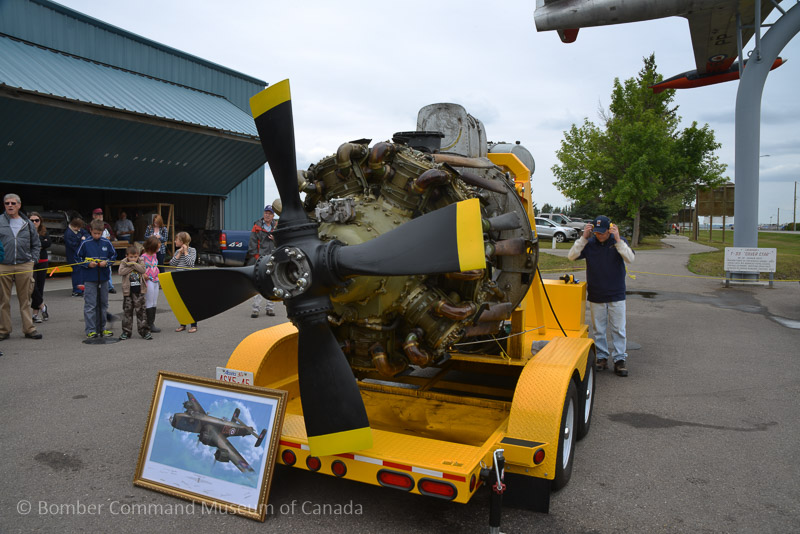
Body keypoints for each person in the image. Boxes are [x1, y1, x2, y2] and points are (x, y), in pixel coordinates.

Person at [568, 215, 635, 377]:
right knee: (599, 330)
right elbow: (572, 255)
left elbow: (630, 258)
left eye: (602, 233)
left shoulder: (618, 242)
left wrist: (618, 240)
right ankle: (602, 357)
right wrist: (583, 238)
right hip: (596, 294)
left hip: (616, 293)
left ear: (610, 230)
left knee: (618, 329)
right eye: (596, 232)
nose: (599, 235)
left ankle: (619, 359)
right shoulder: (589, 243)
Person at [0, 193, 42, 340]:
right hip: (3, 265)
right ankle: (4, 330)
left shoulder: (27, 223)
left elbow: (36, 244)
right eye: (7, 203)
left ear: (19, 205)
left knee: (25, 299)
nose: (10, 206)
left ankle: (29, 329)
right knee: (3, 300)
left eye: (13, 203)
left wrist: (33, 260)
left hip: (24, 264)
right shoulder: (0, 221)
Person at [76, 219, 117, 339]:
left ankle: (102, 328)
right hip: (90, 278)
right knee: (90, 304)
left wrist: (107, 262)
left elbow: (113, 255)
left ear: (102, 232)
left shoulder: (106, 242)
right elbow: (77, 257)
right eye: (95, 233)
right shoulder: (85, 243)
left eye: (99, 233)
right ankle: (91, 329)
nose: (97, 236)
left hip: (103, 278)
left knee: (103, 304)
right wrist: (88, 264)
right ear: (90, 231)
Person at [246, 204, 277, 318]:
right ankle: (255, 309)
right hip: (260, 259)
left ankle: (270, 308)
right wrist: (257, 257)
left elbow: (282, 241)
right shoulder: (257, 226)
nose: (267, 215)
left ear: (273, 216)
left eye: (269, 213)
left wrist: (275, 238)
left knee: (272, 283)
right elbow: (252, 243)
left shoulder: (277, 227)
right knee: (258, 283)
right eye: (266, 213)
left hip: (273, 258)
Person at [118, 245, 151, 340]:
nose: (133, 259)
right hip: (128, 291)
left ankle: (144, 331)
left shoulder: (141, 261)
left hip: (139, 291)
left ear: (138, 256)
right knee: (127, 312)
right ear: (127, 256)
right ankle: (126, 332)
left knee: (141, 312)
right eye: (131, 257)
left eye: (135, 257)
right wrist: (133, 266)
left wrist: (132, 264)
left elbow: (143, 270)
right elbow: (121, 272)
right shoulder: (124, 262)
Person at [169, 232, 198, 333]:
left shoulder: (192, 250)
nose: (174, 241)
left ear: (182, 241)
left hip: (189, 278)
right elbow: (172, 264)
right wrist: (179, 253)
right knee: (180, 302)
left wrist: (185, 252)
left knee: (190, 302)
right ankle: (183, 324)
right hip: (179, 278)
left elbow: (190, 263)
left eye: (176, 240)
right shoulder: (178, 251)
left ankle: (194, 325)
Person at [29, 212, 51, 324]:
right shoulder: (25, 232)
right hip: (30, 262)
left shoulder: (44, 231)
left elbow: (48, 243)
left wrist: (38, 244)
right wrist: (40, 244)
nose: (34, 222)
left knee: (40, 286)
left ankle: (35, 314)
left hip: (42, 261)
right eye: (32, 220)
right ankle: (42, 306)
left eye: (36, 220)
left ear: (40, 221)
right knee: (32, 287)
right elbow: (27, 245)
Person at [92, 208, 117, 293]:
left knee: (107, 268)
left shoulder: (106, 225)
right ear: (93, 216)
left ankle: (109, 287)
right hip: (94, 250)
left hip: (105, 249)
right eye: (98, 214)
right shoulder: (89, 226)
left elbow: (113, 236)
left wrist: (109, 238)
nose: (100, 216)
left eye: (101, 214)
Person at [65, 217, 90, 296]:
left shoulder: (79, 230)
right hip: (73, 256)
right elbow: (73, 245)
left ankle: (81, 289)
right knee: (77, 273)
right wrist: (81, 240)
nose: (79, 229)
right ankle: (77, 290)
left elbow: (86, 233)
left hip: (79, 256)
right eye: (78, 228)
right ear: (74, 226)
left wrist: (85, 237)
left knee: (81, 272)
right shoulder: (68, 234)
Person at [141, 237, 162, 333]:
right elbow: (140, 268)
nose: (158, 249)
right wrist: (143, 274)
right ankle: (148, 324)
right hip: (148, 280)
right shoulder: (143, 257)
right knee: (149, 301)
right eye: (157, 248)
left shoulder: (154, 255)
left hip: (155, 280)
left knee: (154, 301)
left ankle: (152, 322)